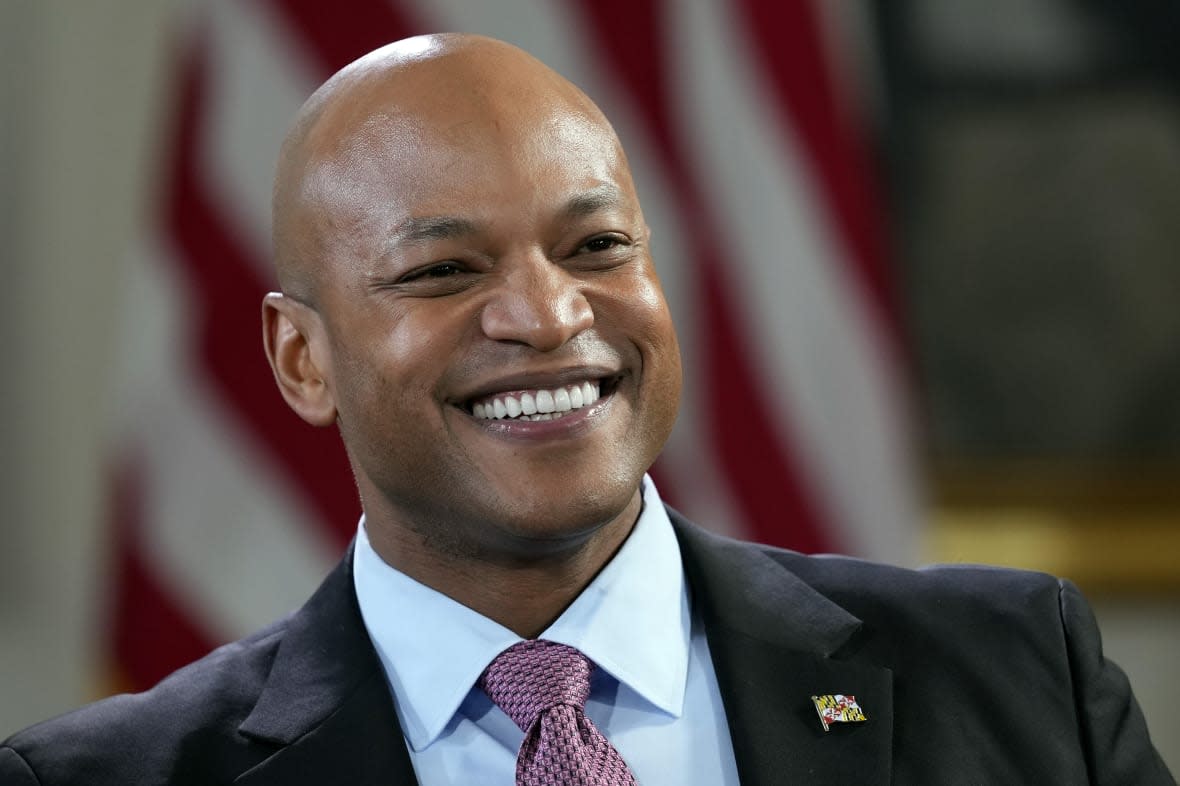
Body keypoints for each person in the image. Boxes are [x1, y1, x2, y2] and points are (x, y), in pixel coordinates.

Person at [0, 33, 1173, 786]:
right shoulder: (102, 780)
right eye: (444, 271)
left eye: (596, 246)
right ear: (301, 360)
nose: (550, 316)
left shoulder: (1018, 681)